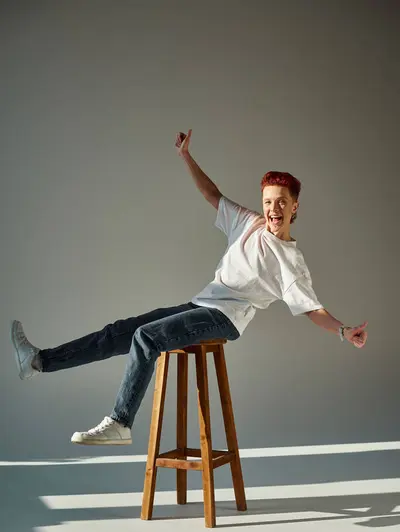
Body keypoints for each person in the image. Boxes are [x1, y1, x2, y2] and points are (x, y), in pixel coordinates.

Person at [10, 129, 368, 446]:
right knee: (120, 332)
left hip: (225, 319)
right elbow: (213, 194)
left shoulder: (290, 259)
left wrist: (342, 330)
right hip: (199, 305)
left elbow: (310, 308)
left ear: (294, 207)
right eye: (268, 201)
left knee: (147, 338)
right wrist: (186, 157)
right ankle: (39, 361)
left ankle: (120, 422)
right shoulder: (251, 224)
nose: (274, 209)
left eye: (281, 203)